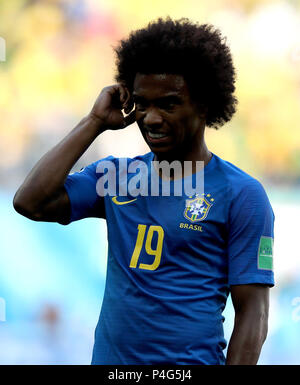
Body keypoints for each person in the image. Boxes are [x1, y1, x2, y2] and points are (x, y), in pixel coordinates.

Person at [13, 18, 274, 365]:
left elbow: (253, 316)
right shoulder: (115, 176)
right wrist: (94, 121)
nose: (150, 119)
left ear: (204, 104)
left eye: (167, 104)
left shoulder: (243, 195)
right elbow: (30, 202)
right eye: (142, 104)